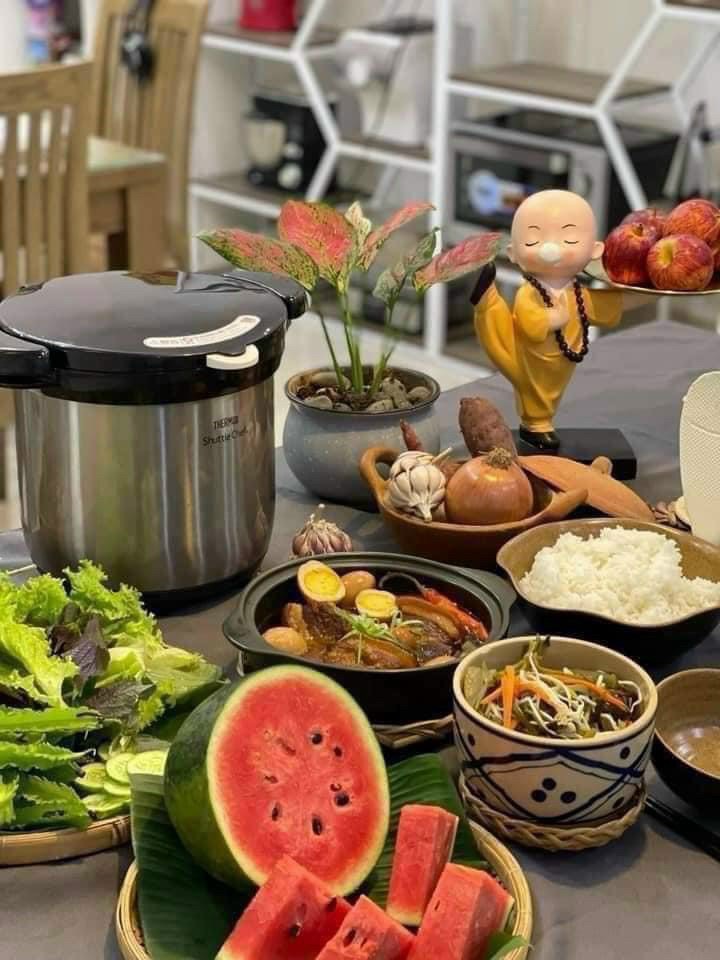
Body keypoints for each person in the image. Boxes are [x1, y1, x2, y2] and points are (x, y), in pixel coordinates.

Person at [471, 189, 623, 450]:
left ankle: (540, 423)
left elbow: (615, 304)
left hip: (561, 363)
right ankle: (535, 425)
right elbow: (530, 326)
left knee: (551, 392)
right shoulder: (528, 293)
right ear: (513, 253)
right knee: (533, 391)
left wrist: (651, 292)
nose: (550, 249)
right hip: (529, 361)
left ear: (595, 250)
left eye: (570, 239)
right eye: (532, 241)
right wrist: (551, 319)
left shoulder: (579, 295)